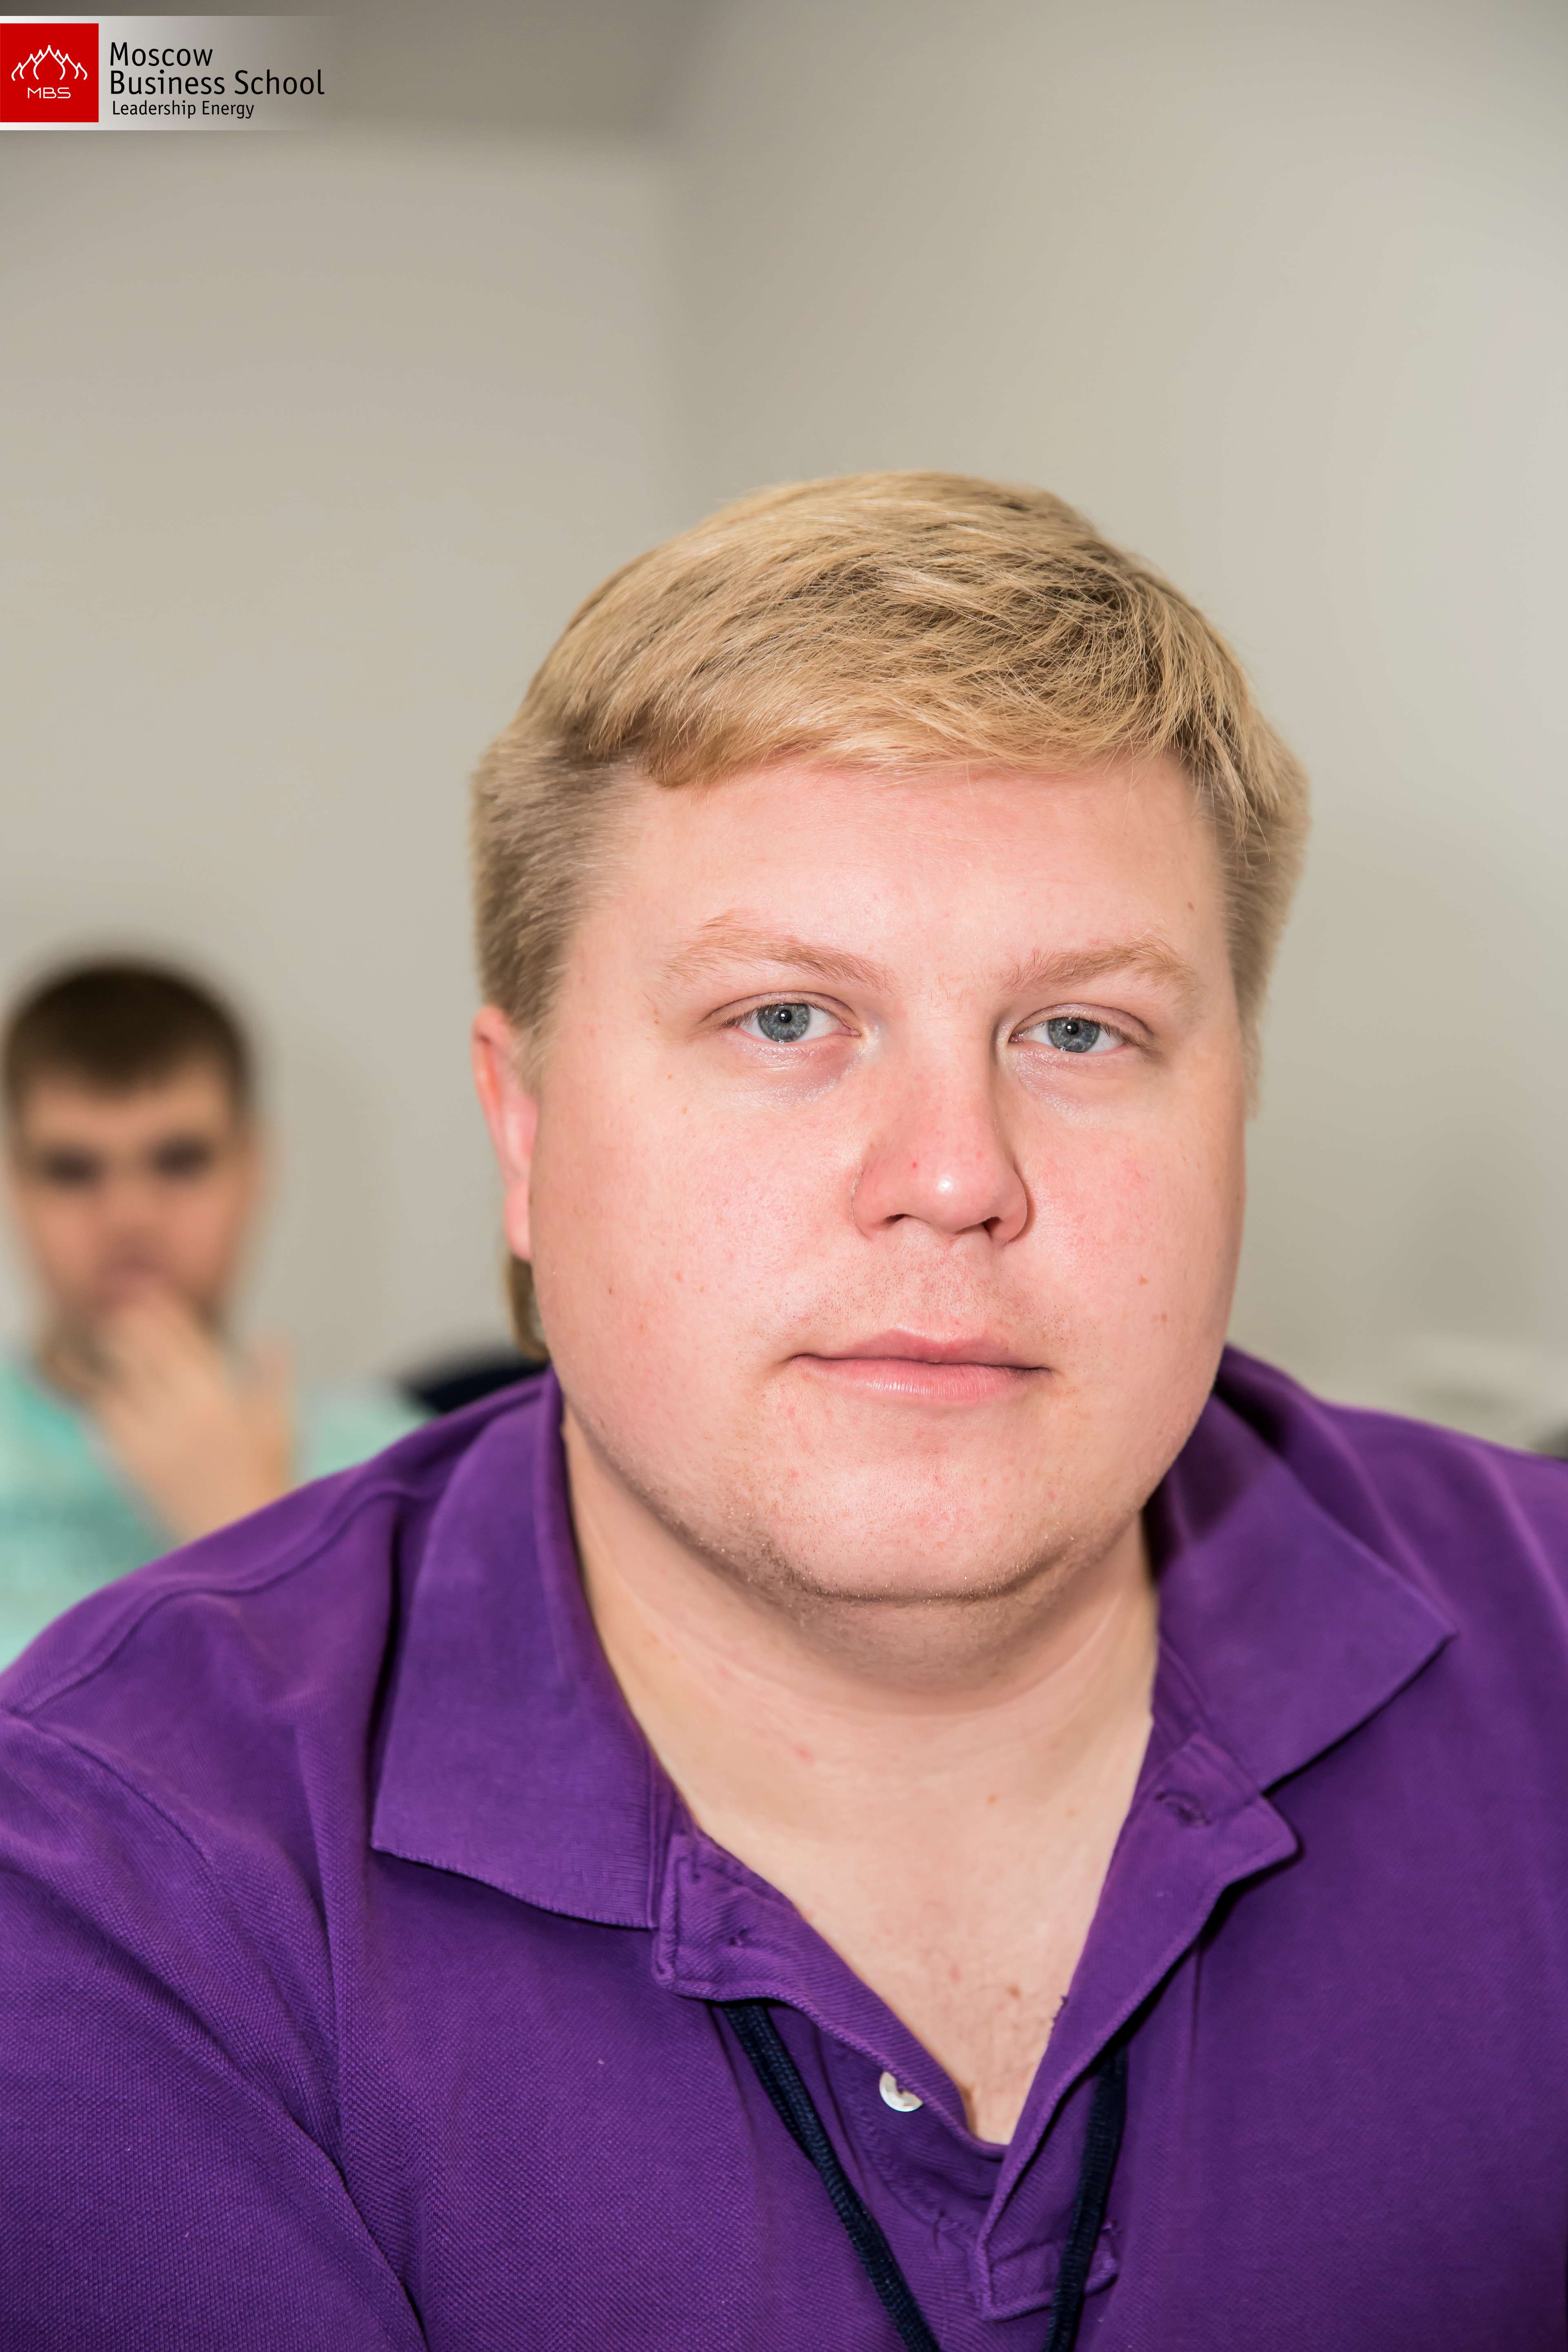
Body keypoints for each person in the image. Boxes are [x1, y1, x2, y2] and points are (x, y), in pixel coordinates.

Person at [1, 475, 1565, 2352]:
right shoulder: (115, 1876)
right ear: (525, 1129)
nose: (952, 1176)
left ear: (1237, 1110)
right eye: (783, 1019)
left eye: (1081, 1030)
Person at [0, 958, 424, 1665]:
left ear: (254, 1168)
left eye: (180, 1161)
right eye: (71, 1170)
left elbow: (434, 1730)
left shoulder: (397, 1469)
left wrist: (252, 1528)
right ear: (15, 1184)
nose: (129, 1216)